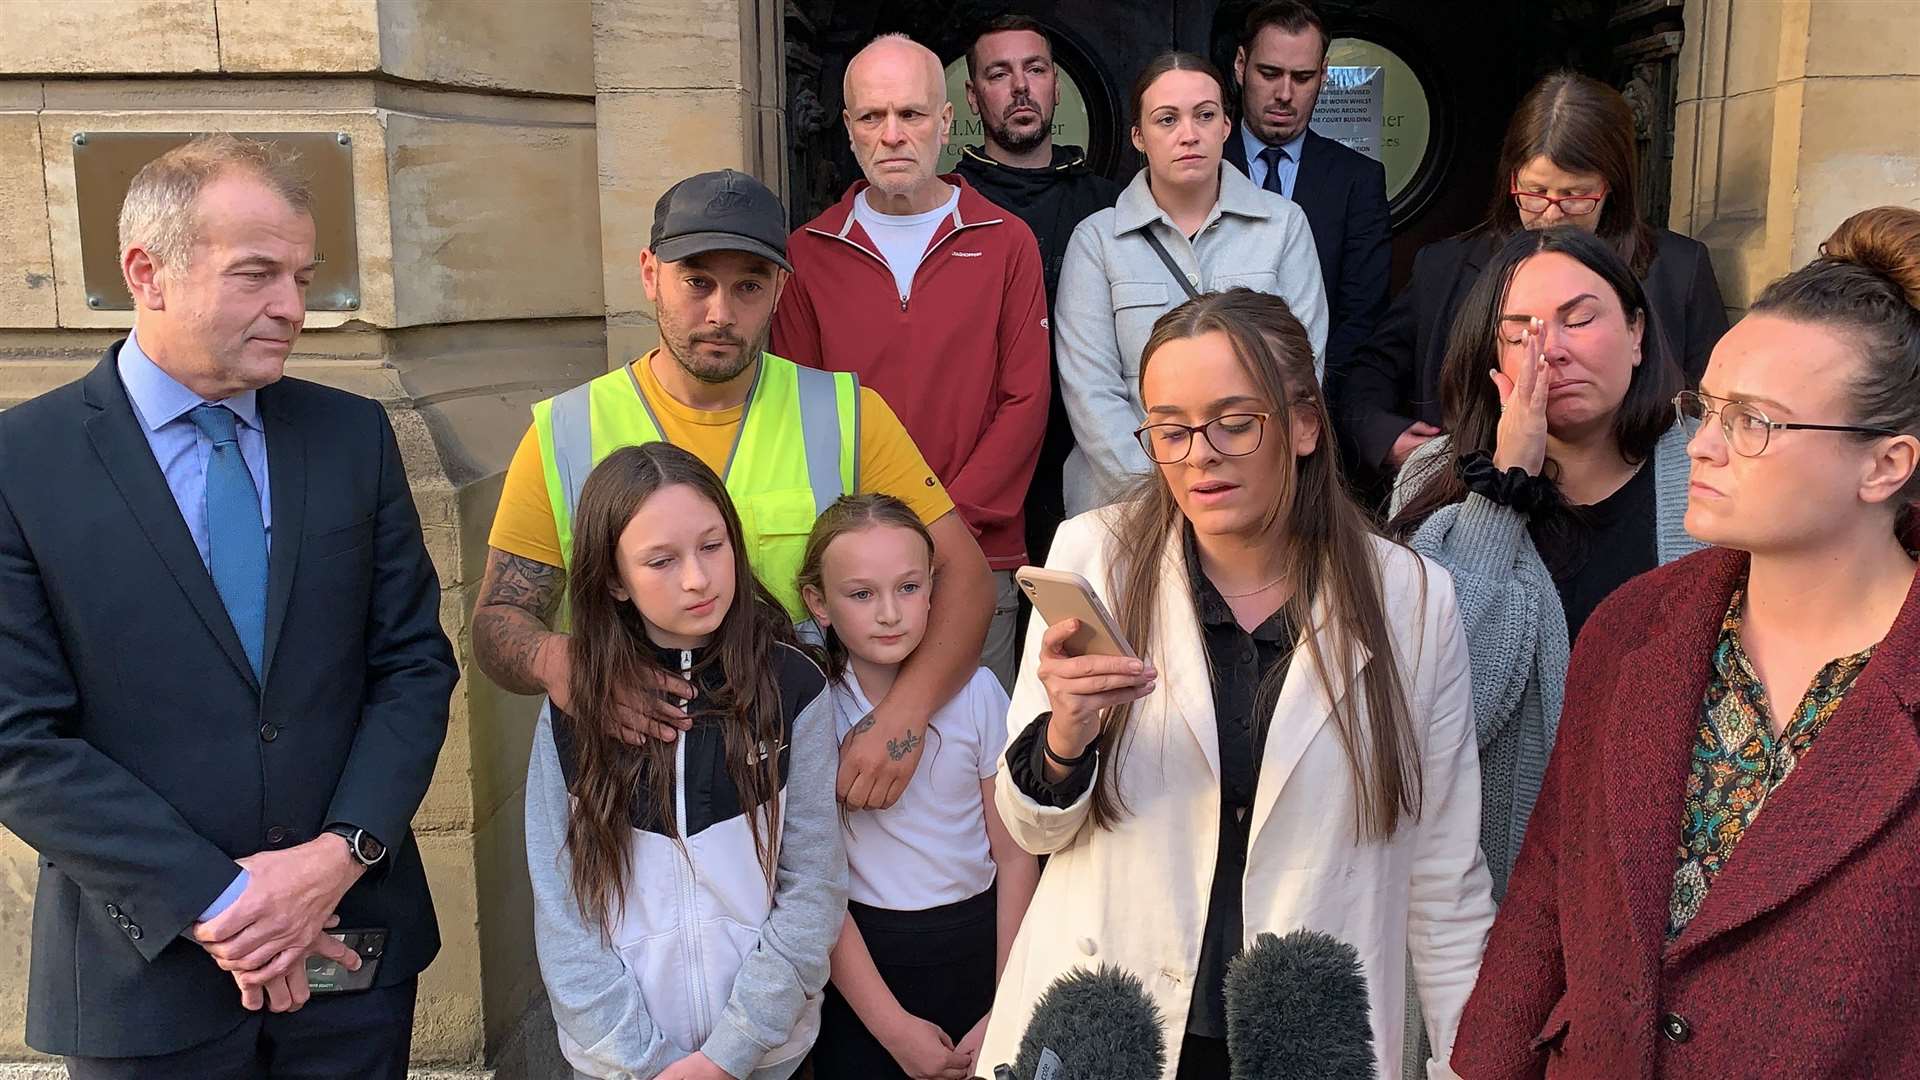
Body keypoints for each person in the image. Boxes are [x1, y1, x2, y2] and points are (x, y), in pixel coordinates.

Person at [0, 134, 457, 1076]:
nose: (292, 307)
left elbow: (412, 664)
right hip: (147, 970)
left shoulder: (350, 437)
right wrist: (228, 905)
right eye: (257, 274)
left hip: (350, 950)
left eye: (301, 275)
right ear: (147, 272)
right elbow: (17, 737)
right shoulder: (23, 464)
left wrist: (340, 857)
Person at [1451, 208, 1920, 1078]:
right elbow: (1552, 885)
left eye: (1755, 422)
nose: (1703, 444)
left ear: (1885, 465)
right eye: (1707, 406)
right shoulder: (1635, 629)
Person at [978, 289, 1493, 1079]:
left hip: (1306, 1036)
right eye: (1171, 429)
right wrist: (1064, 740)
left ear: (1305, 424)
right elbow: (1029, 829)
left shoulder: (1411, 600)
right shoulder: (1093, 559)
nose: (1199, 455)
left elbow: (1444, 877)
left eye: (1234, 422)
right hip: (1112, 1029)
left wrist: (1468, 1064)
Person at [476, 168, 995, 813]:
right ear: (649, 274)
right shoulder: (564, 433)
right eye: (697, 282)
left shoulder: (848, 415)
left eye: (747, 286)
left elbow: (967, 578)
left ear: (779, 289)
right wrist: (566, 664)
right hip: (631, 795)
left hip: (809, 782)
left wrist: (902, 717)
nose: (720, 313)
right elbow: (498, 624)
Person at [1386, 225, 1700, 900]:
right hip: (1496, 888)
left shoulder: (1713, 473)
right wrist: (1502, 489)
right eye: (1520, 329)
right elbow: (1440, 715)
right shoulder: (1435, 479)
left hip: (1665, 871)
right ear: (1489, 352)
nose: (1549, 350)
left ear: (1637, 332)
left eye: (1579, 320)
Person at [526, 443, 846, 1080]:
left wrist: (727, 1056)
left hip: (767, 1057)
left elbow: (813, 888)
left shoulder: (794, 687)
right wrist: (647, 1064)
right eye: (660, 560)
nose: (697, 579)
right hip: (619, 1066)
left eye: (712, 546)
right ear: (613, 577)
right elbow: (562, 912)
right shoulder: (571, 709)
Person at [774, 33, 1051, 690]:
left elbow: (1025, 402)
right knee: (860, 765)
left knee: (974, 761)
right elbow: (804, 412)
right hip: (855, 572)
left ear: (947, 122)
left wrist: (941, 528)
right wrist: (873, 544)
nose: (892, 134)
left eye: (912, 114)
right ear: (848, 129)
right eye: (872, 117)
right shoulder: (807, 254)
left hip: (978, 556)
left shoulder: (1006, 241)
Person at [1340, 71, 1728, 490]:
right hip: (1469, 492)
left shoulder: (1678, 270)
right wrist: (1383, 435)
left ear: (1611, 187)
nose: (1552, 214)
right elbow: (1368, 371)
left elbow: (1714, 403)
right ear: (1512, 181)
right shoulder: (1444, 266)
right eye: (1535, 192)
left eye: (1576, 195)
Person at [797, 495, 1040, 1080]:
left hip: (981, 947)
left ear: (934, 586)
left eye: (908, 588)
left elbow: (1013, 854)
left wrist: (1008, 1000)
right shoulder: (812, 708)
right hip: (864, 967)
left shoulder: (980, 693)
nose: (889, 614)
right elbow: (815, 884)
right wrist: (892, 1029)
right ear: (818, 602)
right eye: (861, 594)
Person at [1054, 51, 1329, 517]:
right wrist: (1164, 497)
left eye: (1205, 115)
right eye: (1167, 119)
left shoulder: (1283, 226)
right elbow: (1090, 391)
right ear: (1139, 137)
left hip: (1251, 502)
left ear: (1225, 125)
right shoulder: (1098, 239)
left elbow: (1305, 372)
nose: (1189, 134)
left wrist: (1239, 483)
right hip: (1124, 506)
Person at [952, 13, 1123, 569]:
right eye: (999, 73)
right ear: (974, 97)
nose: (1020, 87)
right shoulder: (947, 207)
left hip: (1090, 454)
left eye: (1035, 69)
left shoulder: (1110, 208)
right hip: (977, 460)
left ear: (1055, 86)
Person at [1224, 0, 1391, 401]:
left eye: (1302, 77)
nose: (1285, 94)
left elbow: (1361, 315)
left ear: (1324, 75)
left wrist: (1306, 397)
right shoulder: (1202, 168)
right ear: (1241, 65)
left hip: (1319, 405)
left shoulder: (1358, 180)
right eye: (1269, 73)